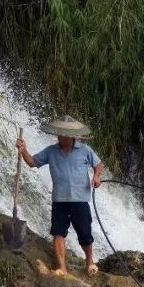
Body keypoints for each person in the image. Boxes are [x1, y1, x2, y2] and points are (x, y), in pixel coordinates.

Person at [16, 115, 104, 277]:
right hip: (59, 200)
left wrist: (96, 177)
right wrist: (23, 150)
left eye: (62, 134)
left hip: (80, 199)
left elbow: (98, 165)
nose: (59, 136)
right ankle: (62, 268)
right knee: (58, 232)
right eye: (58, 133)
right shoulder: (51, 151)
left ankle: (90, 262)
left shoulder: (84, 150)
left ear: (71, 136)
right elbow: (32, 162)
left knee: (84, 233)